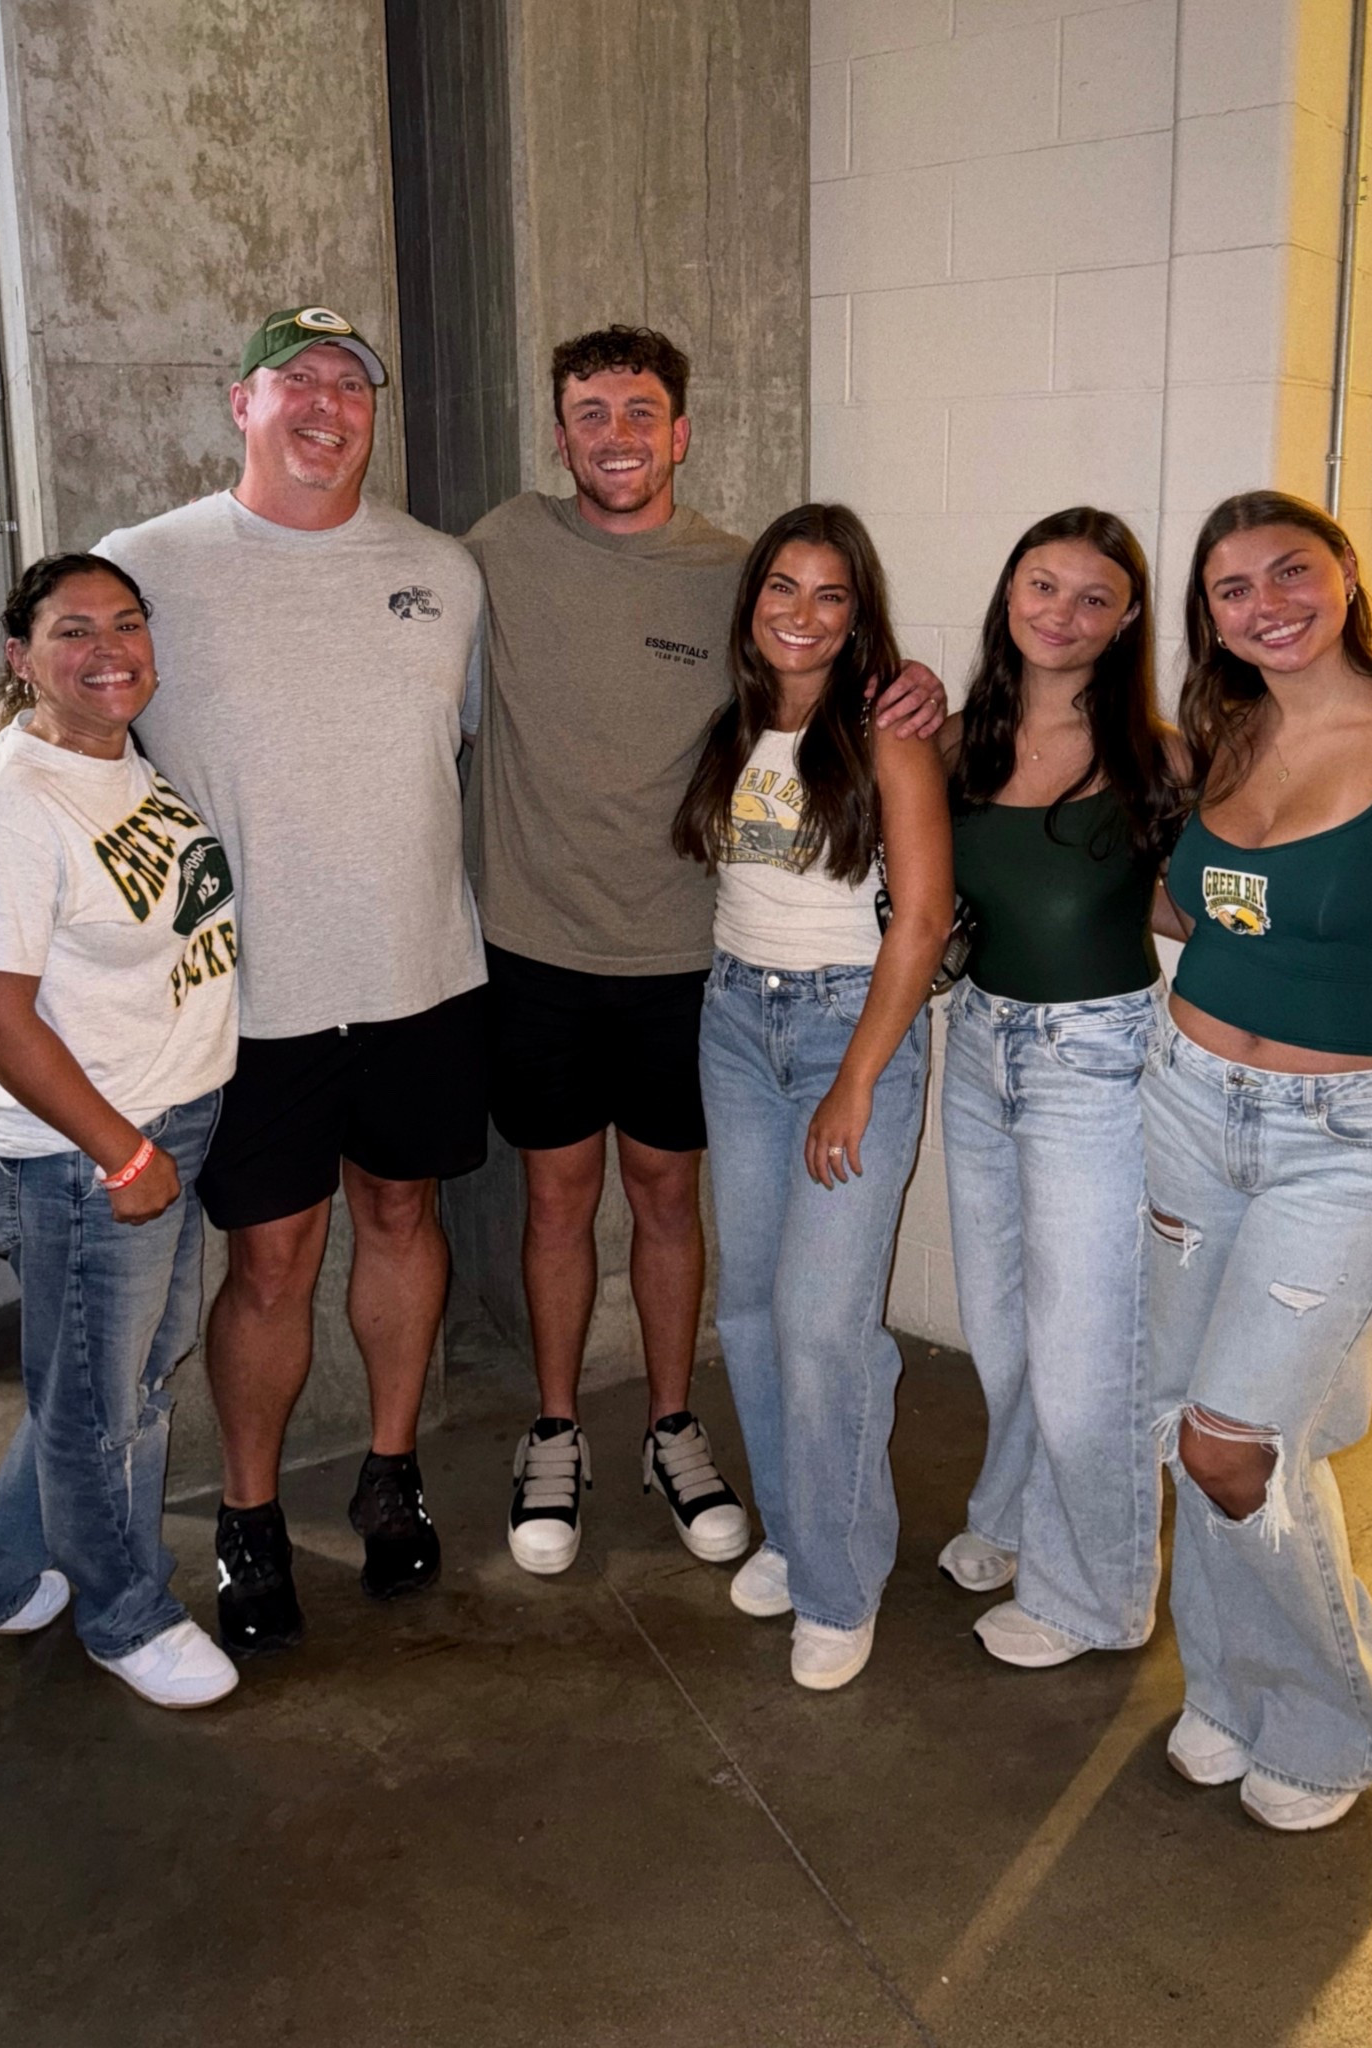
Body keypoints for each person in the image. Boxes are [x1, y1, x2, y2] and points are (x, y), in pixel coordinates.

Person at [464, 325, 945, 1576]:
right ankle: (558, 1426)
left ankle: (672, 1426)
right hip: (536, 945)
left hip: (694, 965)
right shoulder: (502, 548)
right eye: (590, 412)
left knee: (670, 1201)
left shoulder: (739, 579)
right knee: (559, 1198)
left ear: (679, 432)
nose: (615, 434)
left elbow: (830, 681)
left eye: (641, 412)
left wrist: (917, 692)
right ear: (558, 430)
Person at [92, 306, 488, 1654]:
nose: (329, 401)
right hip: (244, 1004)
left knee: (401, 1214)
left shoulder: (445, 572)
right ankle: (251, 1518)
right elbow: (60, 742)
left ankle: (391, 1469)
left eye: (351, 381)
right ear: (238, 402)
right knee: (269, 1260)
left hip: (423, 977)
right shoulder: (148, 566)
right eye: (297, 379)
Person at [1148, 490, 1372, 1831]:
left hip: (1355, 1135)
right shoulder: (1227, 734)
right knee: (1184, 1418)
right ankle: (1229, 1689)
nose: (1265, 601)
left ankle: (1335, 1720)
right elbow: (1188, 900)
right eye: (1231, 587)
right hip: (1191, 1103)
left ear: (1342, 579)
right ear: (1207, 615)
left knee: (1231, 1445)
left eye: (1290, 570)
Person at [0, 555, 239, 1709]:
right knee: (107, 1407)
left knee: (107, 1382)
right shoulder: (10, 805)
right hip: (84, 1155)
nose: (110, 649)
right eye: (72, 631)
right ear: (21, 656)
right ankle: (124, 1609)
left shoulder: (110, 756)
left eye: (127, 623)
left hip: (162, 1120)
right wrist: (124, 1152)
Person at [674, 503, 953, 1690]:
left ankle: (840, 1586)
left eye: (829, 594)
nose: (801, 613)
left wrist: (856, 1080)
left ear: (858, 614)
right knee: (748, 1311)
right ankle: (796, 1532)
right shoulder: (736, 724)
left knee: (826, 1324)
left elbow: (925, 919)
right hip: (737, 1020)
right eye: (781, 588)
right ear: (752, 606)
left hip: (852, 1024)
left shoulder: (887, 730)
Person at [936, 509, 1180, 1669]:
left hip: (1099, 1055)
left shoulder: (1159, 755)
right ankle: (1017, 1515)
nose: (1064, 613)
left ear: (1126, 618)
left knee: (1088, 1344)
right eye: (1044, 585)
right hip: (980, 1046)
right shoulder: (954, 743)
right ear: (1011, 589)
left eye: (1094, 598)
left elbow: (1192, 910)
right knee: (1001, 1324)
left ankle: (1098, 1593)